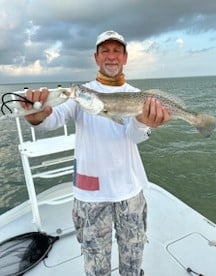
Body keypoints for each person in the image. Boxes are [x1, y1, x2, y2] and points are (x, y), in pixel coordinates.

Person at [23, 30, 170, 276]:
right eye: (105, 51)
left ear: (125, 58)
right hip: (90, 196)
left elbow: (134, 137)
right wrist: (36, 117)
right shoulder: (83, 94)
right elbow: (52, 119)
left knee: (132, 260)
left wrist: (144, 122)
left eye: (116, 51)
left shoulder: (138, 95)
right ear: (96, 57)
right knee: (96, 264)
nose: (111, 57)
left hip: (130, 189)